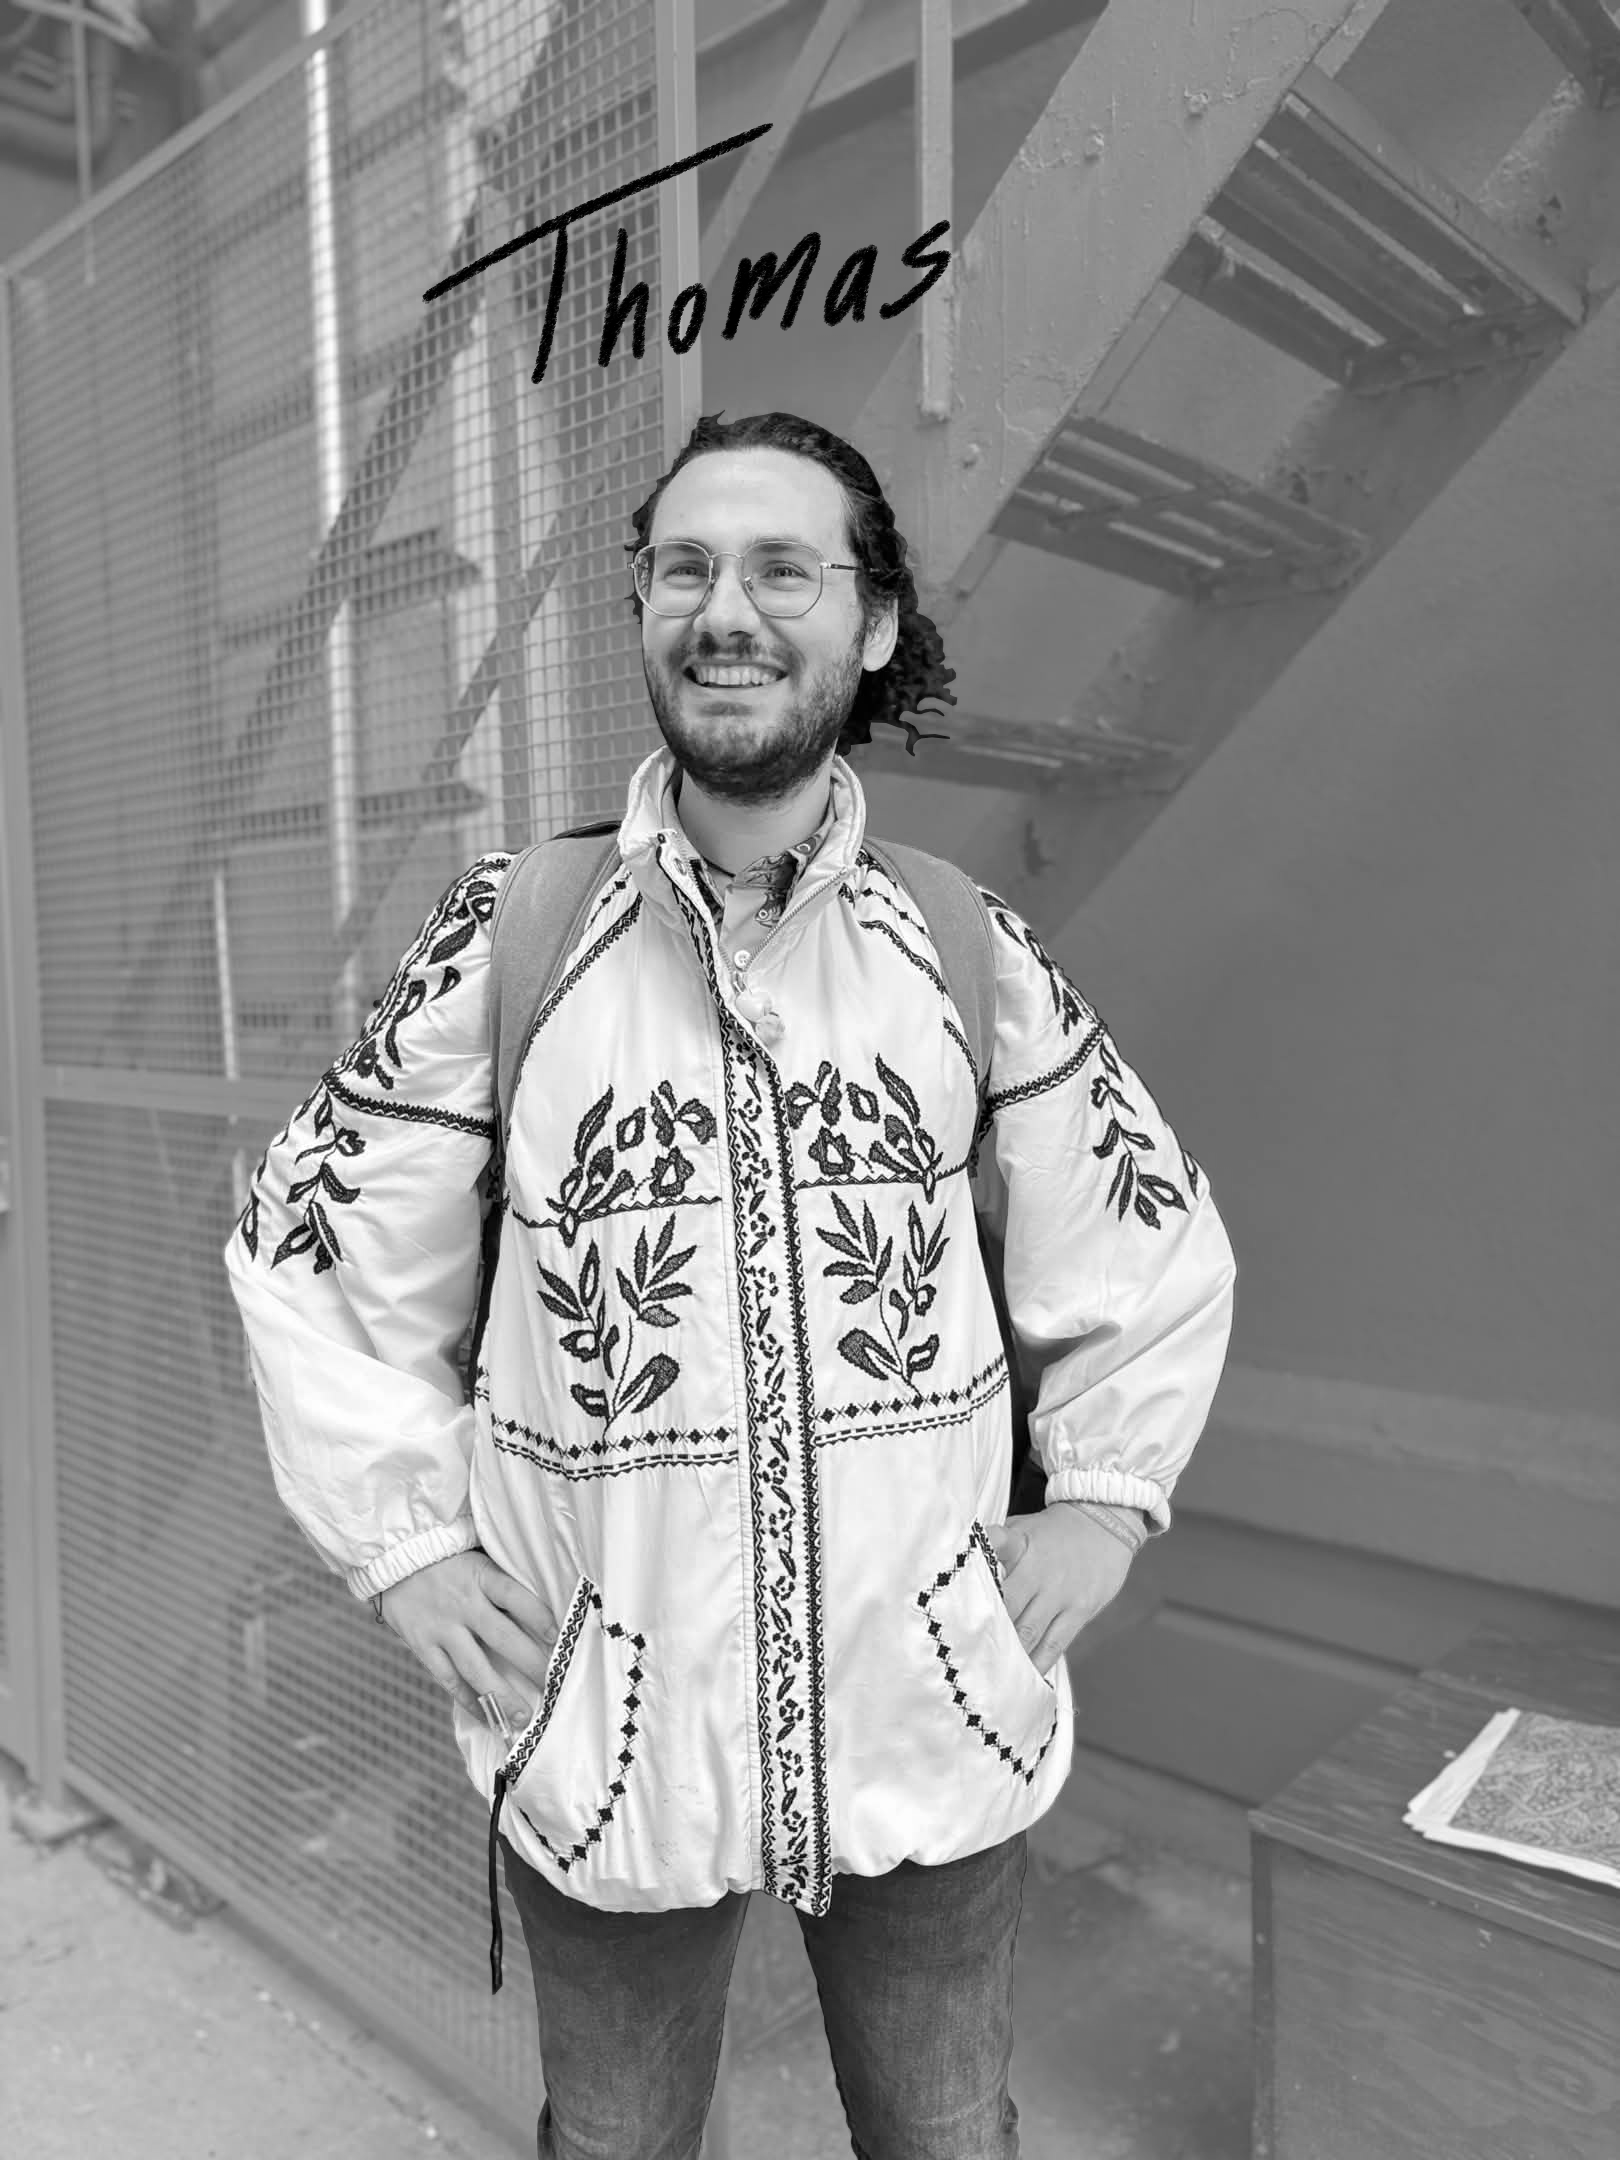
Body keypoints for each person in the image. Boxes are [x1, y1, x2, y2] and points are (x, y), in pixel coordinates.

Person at [224, 410, 1237, 2160]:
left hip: (930, 1708)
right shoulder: (511, 934)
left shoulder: (965, 944)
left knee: (945, 2136)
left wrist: (1109, 1504)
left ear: (870, 622)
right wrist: (407, 1546)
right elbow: (311, 1251)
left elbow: (1149, 1237)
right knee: (614, 2147)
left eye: (785, 567)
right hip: (609, 1721)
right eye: (683, 567)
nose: (728, 609)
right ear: (639, 613)